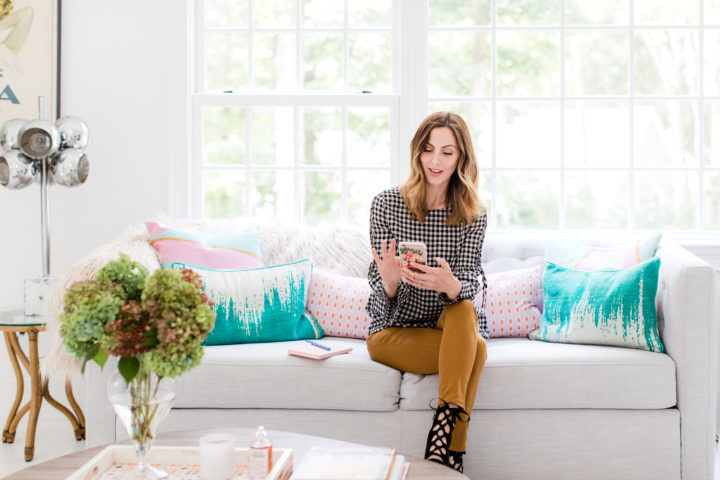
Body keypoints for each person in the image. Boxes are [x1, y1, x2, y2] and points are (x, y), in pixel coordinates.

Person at [365, 111, 488, 473]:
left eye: (447, 152)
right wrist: (389, 279)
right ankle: (452, 449)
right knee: (475, 350)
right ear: (417, 153)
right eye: (428, 149)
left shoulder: (473, 214)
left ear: (461, 158)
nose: (435, 161)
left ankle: (441, 440)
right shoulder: (386, 204)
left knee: (463, 309)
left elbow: (470, 279)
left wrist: (451, 287)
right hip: (392, 332)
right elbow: (378, 293)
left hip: (445, 326)